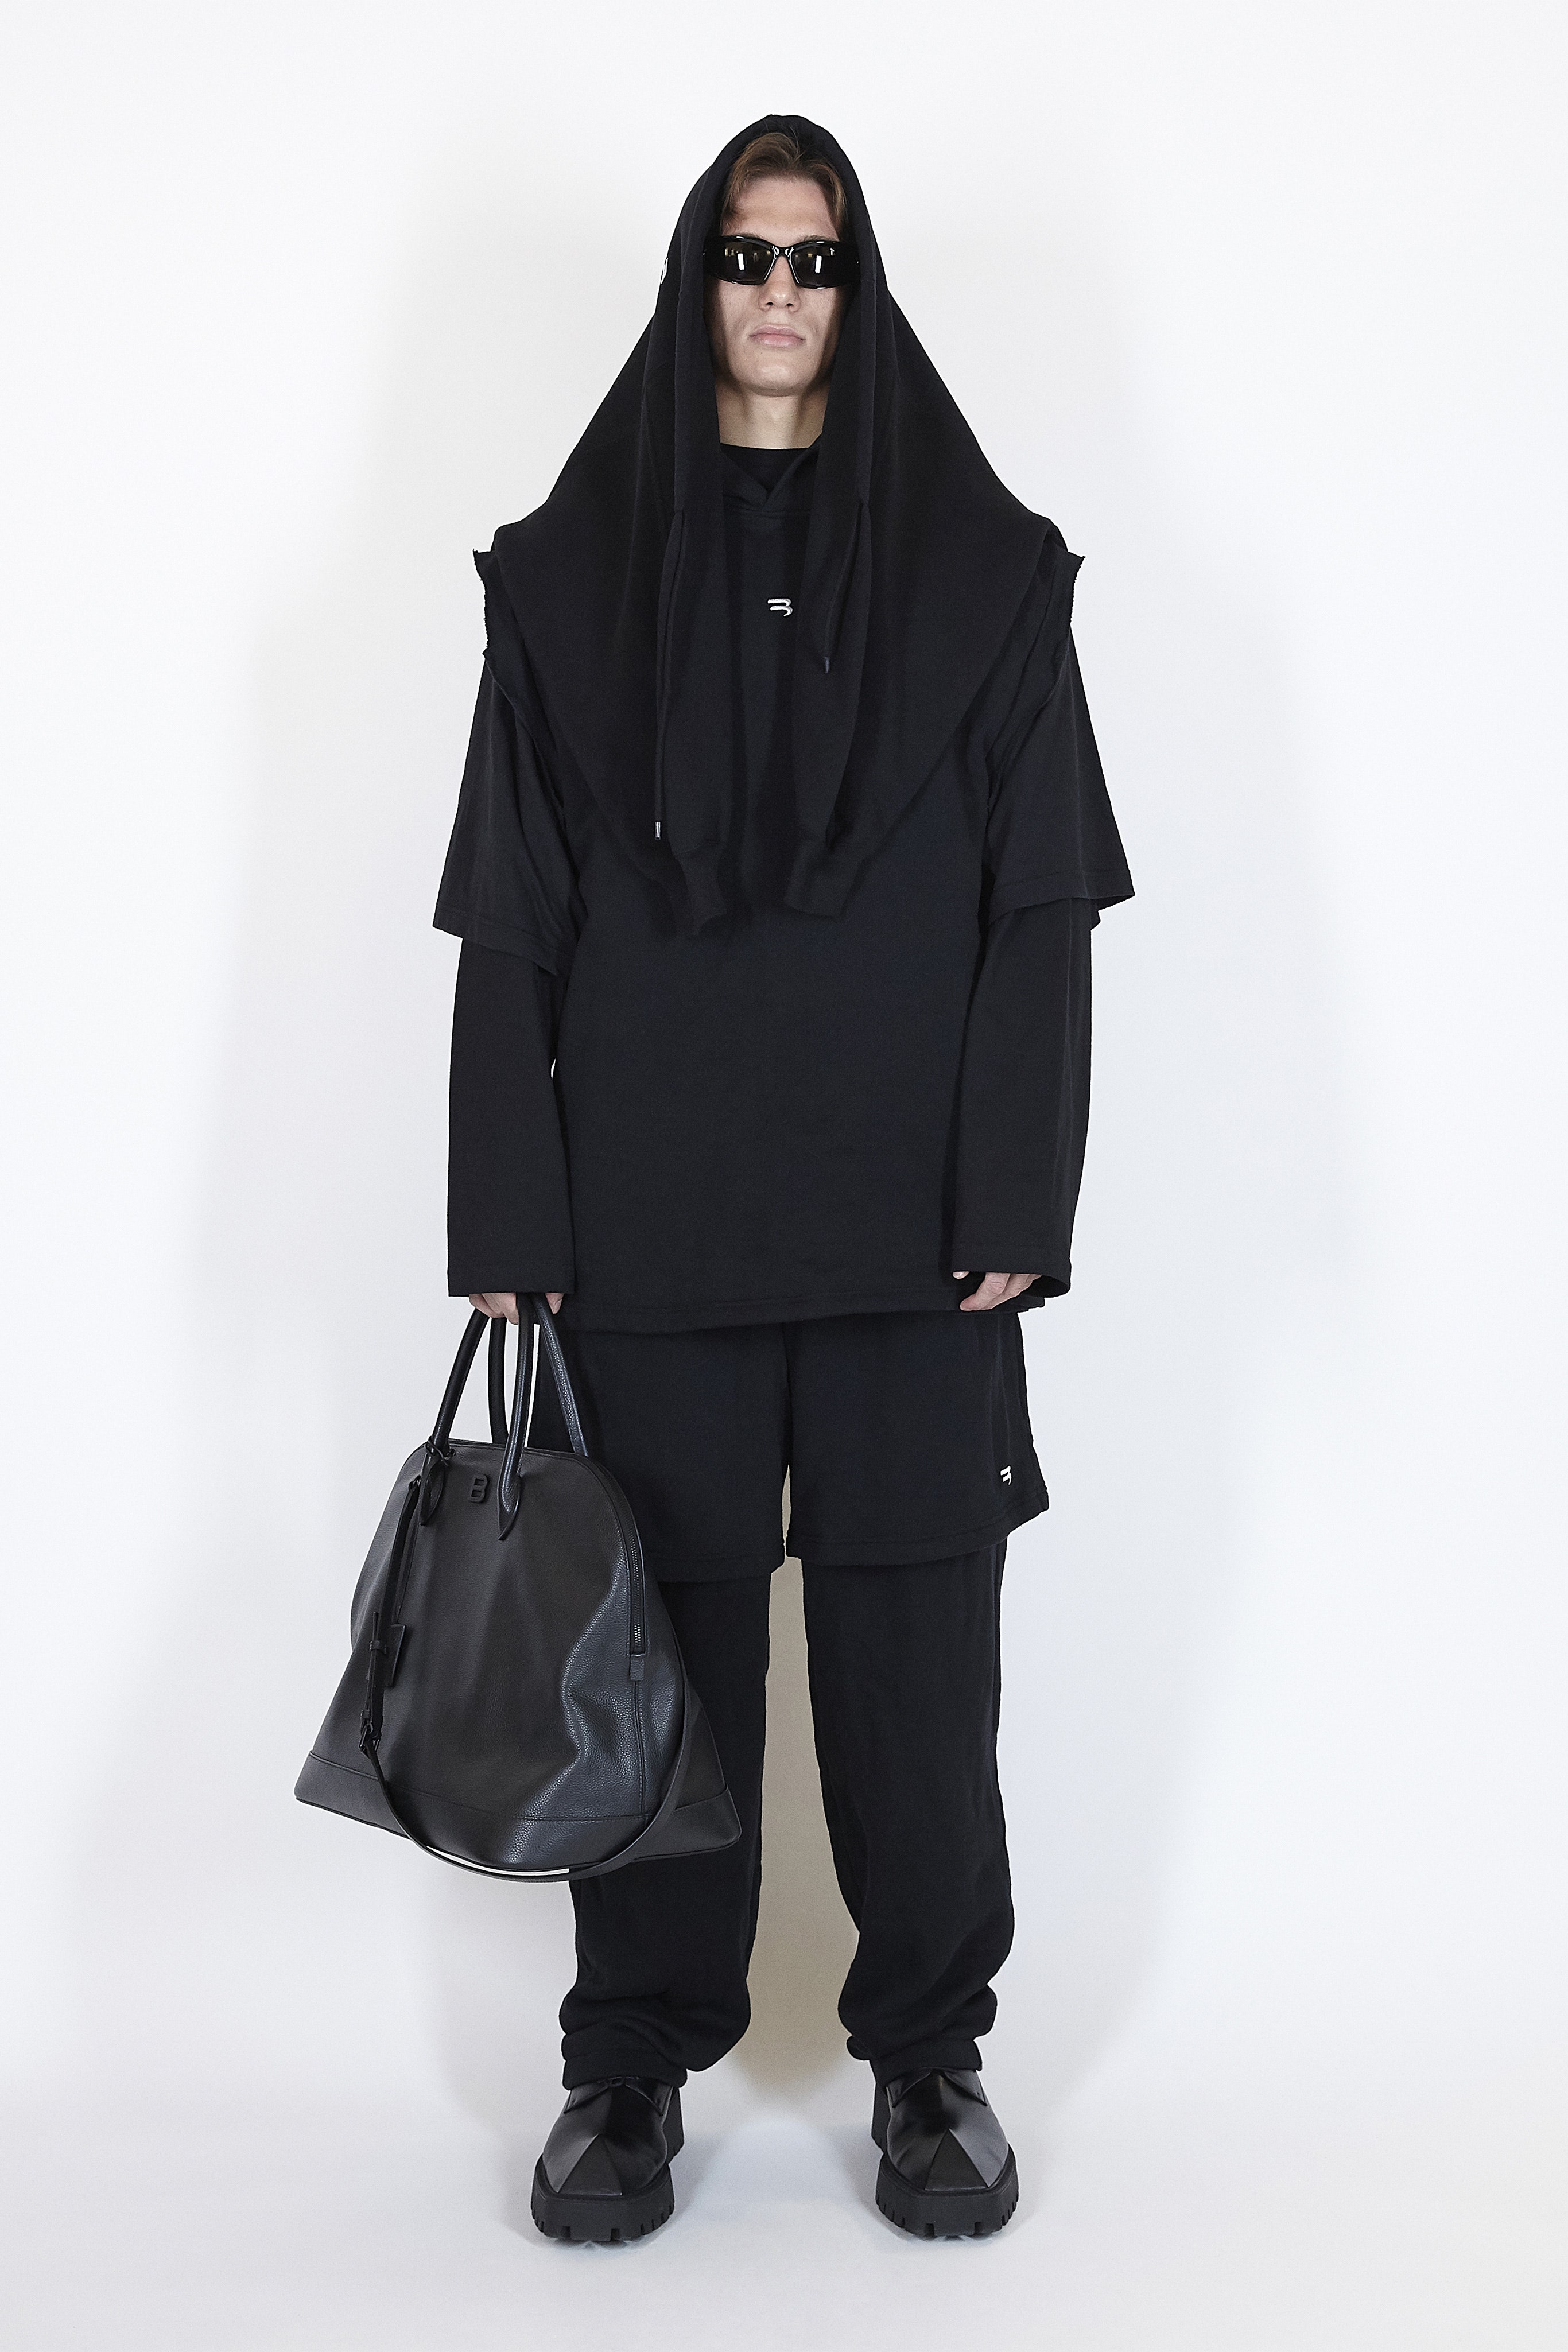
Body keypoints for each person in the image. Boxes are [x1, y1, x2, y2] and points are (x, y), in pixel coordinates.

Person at [434, 115, 1132, 2242]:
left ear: (857, 287)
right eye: (746, 255)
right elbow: (512, 914)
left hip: (918, 1232)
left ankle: (928, 2058)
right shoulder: (568, 577)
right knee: (656, 1656)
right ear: (696, 280)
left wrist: (1015, 1197)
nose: (777, 294)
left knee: (920, 1654)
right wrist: (510, 1219)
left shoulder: (985, 572)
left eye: (814, 260)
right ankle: (631, 2070)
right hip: (647, 1218)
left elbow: (1039, 899)